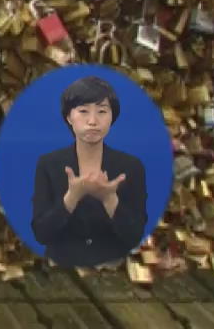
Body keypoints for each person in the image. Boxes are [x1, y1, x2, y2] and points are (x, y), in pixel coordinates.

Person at [30, 75, 147, 267]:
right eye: (83, 111)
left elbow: (134, 235)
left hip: (115, 271)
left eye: (102, 111)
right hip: (62, 270)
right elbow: (41, 233)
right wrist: (72, 197)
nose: (92, 121)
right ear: (69, 117)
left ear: (112, 117)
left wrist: (110, 200)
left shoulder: (130, 167)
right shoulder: (49, 164)